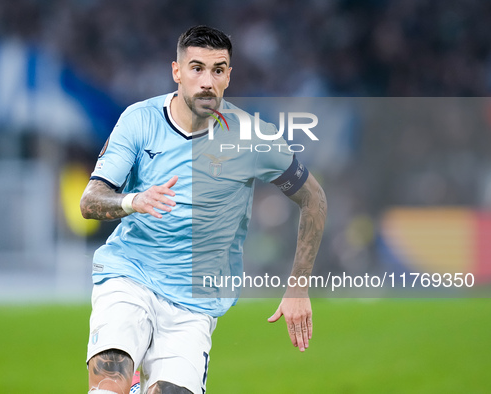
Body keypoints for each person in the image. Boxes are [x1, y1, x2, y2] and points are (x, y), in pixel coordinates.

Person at [80, 25, 327, 394]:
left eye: (218, 69)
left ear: (229, 75)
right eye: (196, 68)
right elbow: (90, 200)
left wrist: (298, 285)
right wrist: (133, 201)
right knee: (108, 385)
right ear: (177, 72)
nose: (207, 81)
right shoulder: (140, 120)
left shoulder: (251, 136)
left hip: (195, 299)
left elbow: (314, 199)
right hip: (130, 274)